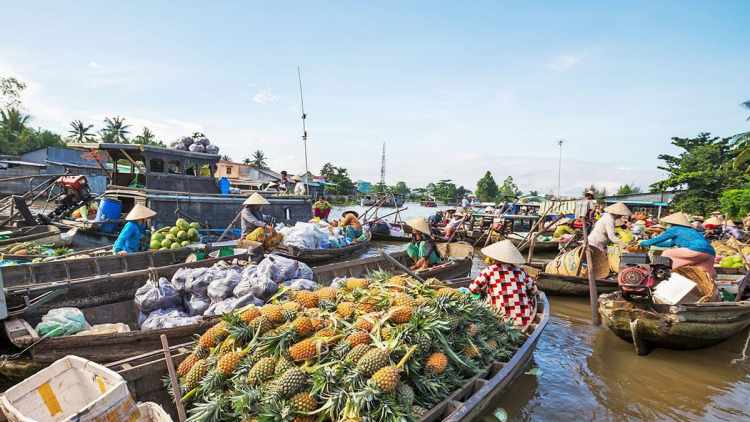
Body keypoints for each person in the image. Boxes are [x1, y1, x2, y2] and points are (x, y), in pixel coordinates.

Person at [469, 240, 538, 327]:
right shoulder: (521, 271)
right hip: (523, 321)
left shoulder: (490, 270)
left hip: (499, 321)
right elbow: (534, 291)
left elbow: (473, 289)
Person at [639, 212, 716, 275]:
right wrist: (651, 244)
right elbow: (669, 244)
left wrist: (642, 243)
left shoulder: (674, 229)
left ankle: (663, 274)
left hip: (695, 250)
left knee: (667, 253)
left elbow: (659, 239)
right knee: (702, 275)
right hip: (710, 253)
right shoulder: (691, 230)